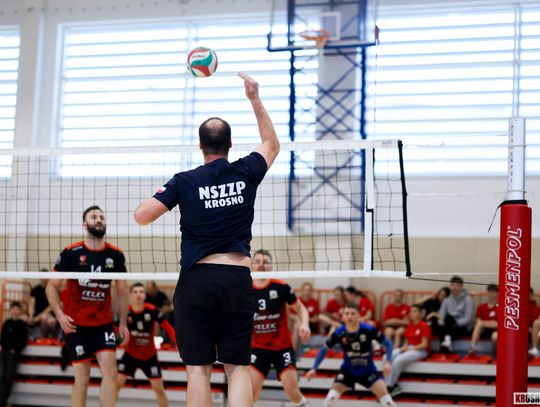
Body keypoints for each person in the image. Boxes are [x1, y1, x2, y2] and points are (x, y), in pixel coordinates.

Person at [134, 72, 279, 407]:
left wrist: (166, 192)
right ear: (230, 144)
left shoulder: (184, 181)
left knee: (198, 370)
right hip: (236, 278)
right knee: (238, 368)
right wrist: (254, 98)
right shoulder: (245, 171)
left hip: (197, 279)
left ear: (200, 146)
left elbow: (142, 216)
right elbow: (272, 144)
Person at [46, 205, 130, 407]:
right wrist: (59, 315)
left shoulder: (116, 255)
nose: (99, 219)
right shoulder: (71, 253)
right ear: (85, 224)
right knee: (82, 377)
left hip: (103, 323)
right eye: (94, 217)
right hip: (75, 325)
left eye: (102, 217)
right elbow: (51, 287)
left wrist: (123, 323)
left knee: (111, 373)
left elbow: (122, 291)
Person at [249, 250, 310, 406]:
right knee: (249, 393)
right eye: (258, 261)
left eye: (265, 261)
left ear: (271, 266)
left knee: (292, 392)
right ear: (252, 264)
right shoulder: (244, 288)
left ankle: (303, 403)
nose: (261, 264)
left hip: (282, 348)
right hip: (257, 349)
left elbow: (301, 308)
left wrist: (304, 324)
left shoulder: (281, 287)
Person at [305, 303, 396, 407]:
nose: (350, 316)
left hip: (368, 371)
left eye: (353, 313)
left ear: (359, 316)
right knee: (330, 400)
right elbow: (324, 349)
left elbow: (388, 343)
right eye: (347, 313)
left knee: (388, 402)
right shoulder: (339, 333)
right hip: (347, 372)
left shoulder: (368, 330)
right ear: (343, 316)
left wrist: (388, 362)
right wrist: (314, 368)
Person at [117, 283, 176, 407]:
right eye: (135, 292)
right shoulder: (126, 313)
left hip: (149, 356)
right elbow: (114, 329)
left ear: (145, 295)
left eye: (141, 292)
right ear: (130, 295)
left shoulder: (152, 310)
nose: (138, 294)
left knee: (159, 389)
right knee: (115, 385)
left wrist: (178, 343)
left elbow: (169, 328)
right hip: (130, 355)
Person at [386, 304, 431, 397]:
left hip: (421, 350)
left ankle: (389, 386)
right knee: (387, 356)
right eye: (411, 311)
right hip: (410, 348)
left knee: (398, 360)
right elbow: (407, 341)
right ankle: (392, 385)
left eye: (415, 311)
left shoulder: (424, 326)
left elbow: (424, 345)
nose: (412, 313)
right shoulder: (410, 325)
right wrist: (403, 348)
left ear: (420, 314)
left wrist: (409, 348)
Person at [433, 276, 474, 352]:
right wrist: (443, 323)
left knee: (450, 322)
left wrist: (454, 322)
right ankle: (446, 344)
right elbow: (441, 315)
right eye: (452, 285)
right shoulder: (447, 300)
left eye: (457, 285)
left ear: (461, 286)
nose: (454, 287)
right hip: (448, 324)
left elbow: (468, 318)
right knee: (440, 324)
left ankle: (444, 348)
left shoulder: (468, 299)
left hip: (462, 326)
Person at [0, 301, 28, 406]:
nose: (15, 311)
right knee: (1, 374)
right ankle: (2, 400)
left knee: (9, 375)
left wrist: (15, 350)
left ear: (20, 311)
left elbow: (23, 341)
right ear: (10, 310)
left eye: (17, 309)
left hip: (13, 354)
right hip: (3, 352)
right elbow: (2, 337)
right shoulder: (6, 323)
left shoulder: (22, 325)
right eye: (13, 309)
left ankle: (4, 399)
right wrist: (1, 346)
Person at [468, 284, 498, 355]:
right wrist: (491, 322)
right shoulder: (481, 306)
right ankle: (473, 347)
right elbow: (478, 321)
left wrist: (484, 323)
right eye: (489, 291)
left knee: (495, 336)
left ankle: (496, 351)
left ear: (497, 293)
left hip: (495, 330)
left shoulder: (500, 307)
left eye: (493, 291)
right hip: (483, 330)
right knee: (478, 325)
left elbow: (499, 324)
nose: (491, 293)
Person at [28, 270, 58, 339]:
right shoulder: (35, 289)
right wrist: (30, 316)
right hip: (38, 314)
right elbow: (31, 304)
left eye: (45, 276)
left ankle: (51, 337)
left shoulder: (52, 289)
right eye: (42, 276)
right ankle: (44, 338)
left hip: (49, 314)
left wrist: (38, 318)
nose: (44, 278)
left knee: (49, 320)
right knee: (26, 319)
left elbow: (52, 306)